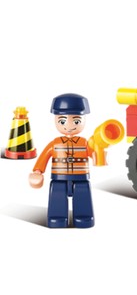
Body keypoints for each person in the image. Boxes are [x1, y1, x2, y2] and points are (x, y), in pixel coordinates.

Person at [29, 93, 95, 229]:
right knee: (57, 196)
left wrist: (100, 154)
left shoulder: (85, 143)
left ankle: (83, 216)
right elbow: (44, 157)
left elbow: (95, 154)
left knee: (83, 195)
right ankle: (57, 216)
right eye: (63, 121)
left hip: (81, 178)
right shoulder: (55, 144)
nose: (69, 126)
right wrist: (38, 171)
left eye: (76, 121)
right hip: (59, 178)